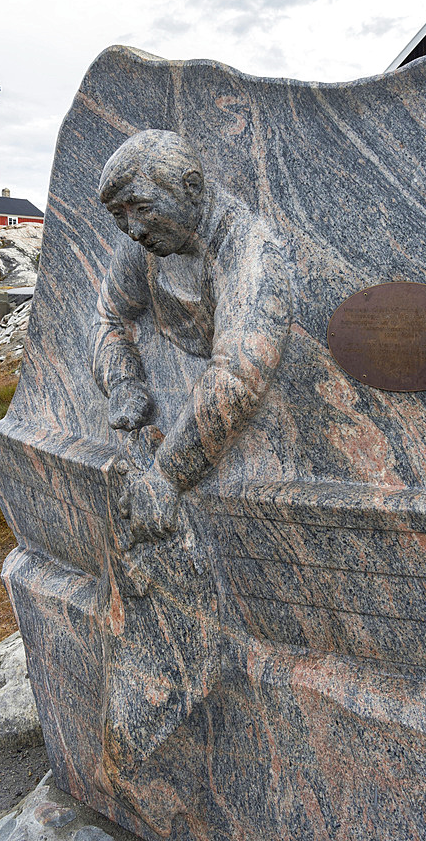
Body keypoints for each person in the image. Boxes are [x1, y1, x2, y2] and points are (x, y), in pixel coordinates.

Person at [91, 129, 293, 546]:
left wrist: (166, 476)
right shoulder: (144, 247)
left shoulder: (250, 253)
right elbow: (108, 316)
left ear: (192, 188)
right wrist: (123, 381)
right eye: (119, 216)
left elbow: (237, 378)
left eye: (144, 208)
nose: (133, 229)